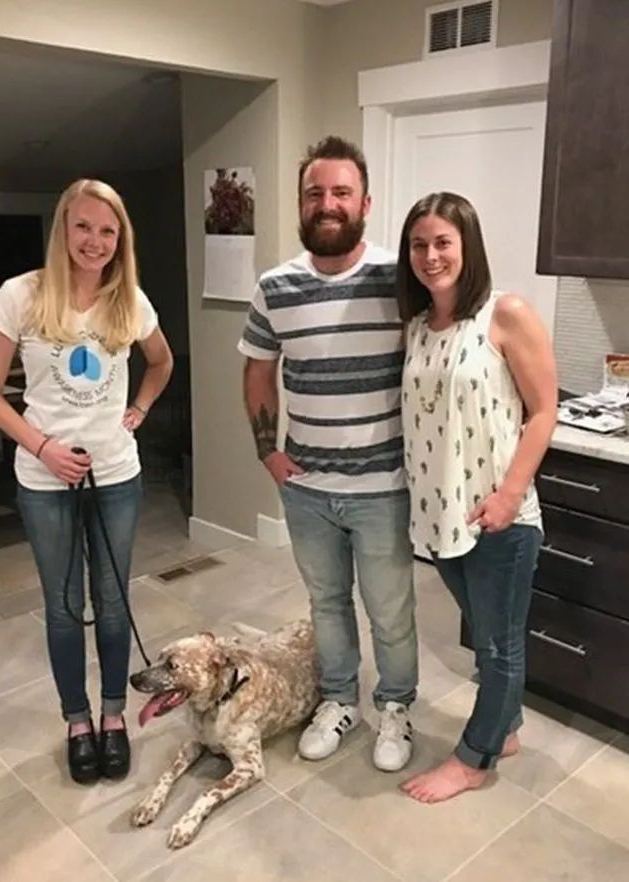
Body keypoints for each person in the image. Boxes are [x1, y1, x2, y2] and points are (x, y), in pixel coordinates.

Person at [0, 179, 173, 784]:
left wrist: (135, 412)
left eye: (107, 231)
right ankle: (76, 721)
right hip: (44, 480)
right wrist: (43, 447)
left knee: (112, 605)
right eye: (83, 227)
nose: (95, 241)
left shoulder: (130, 301)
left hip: (116, 476)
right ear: (64, 227)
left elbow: (161, 362)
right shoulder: (22, 295)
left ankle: (113, 716)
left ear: (121, 240)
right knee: (63, 608)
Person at [238, 136, 418, 772]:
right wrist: (269, 453)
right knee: (327, 604)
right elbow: (259, 370)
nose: (328, 203)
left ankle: (395, 706)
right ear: (300, 203)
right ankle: (340, 699)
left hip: (383, 484)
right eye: (316, 193)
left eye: (341, 192)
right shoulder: (275, 287)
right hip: (307, 487)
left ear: (365, 202)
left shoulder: (401, 279)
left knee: (390, 607)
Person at [396, 191, 557, 802]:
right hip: (440, 518)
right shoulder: (417, 327)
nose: (430, 255)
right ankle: (506, 726)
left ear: (467, 246)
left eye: (443, 242)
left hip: (500, 518)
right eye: (419, 244)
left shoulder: (505, 313)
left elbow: (544, 411)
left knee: (496, 644)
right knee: (488, 635)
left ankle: (473, 759)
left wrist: (510, 496)